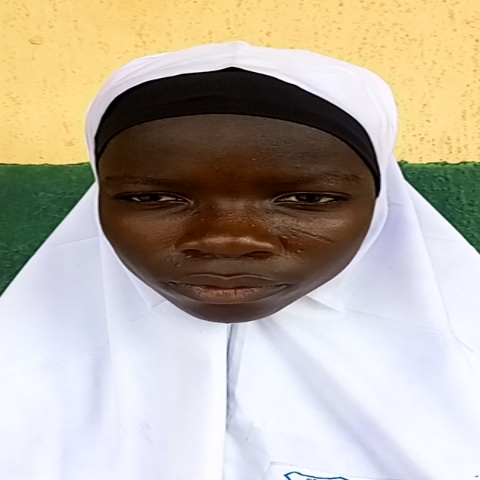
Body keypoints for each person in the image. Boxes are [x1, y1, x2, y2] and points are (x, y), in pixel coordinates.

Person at [0, 41, 479, 480]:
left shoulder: (465, 368)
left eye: (307, 199)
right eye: (152, 197)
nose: (226, 240)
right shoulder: (18, 377)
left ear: (379, 202)